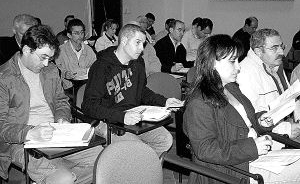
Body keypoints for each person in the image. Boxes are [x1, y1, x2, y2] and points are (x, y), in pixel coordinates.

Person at [183, 34, 300, 184]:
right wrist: (252, 147)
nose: (238, 67)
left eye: (238, 61)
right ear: (212, 63)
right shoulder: (199, 102)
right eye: (232, 62)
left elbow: (247, 120)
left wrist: (262, 120)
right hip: (233, 169)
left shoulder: (231, 87)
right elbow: (205, 149)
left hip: (250, 157)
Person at [0, 25, 103, 184]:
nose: (47, 64)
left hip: (56, 135)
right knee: (65, 179)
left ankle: (54, 176)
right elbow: (1, 126)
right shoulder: (4, 77)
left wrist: (62, 119)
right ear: (27, 50)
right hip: (21, 142)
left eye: (50, 58)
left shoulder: (51, 70)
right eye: (43, 57)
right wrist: (30, 133)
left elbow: (61, 100)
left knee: (104, 160)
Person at [82, 24, 182, 157]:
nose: (142, 48)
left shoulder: (138, 63)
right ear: (124, 41)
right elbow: (89, 106)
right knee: (137, 149)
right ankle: (133, 170)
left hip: (133, 117)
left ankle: (141, 171)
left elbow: (142, 92)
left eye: (143, 44)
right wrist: (122, 117)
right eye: (138, 43)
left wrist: (165, 101)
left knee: (165, 140)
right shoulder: (101, 67)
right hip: (107, 120)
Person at [237, 28, 300, 149]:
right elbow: (251, 120)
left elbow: (287, 101)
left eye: (282, 46)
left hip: (284, 132)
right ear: (258, 51)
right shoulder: (246, 73)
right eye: (274, 48)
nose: (281, 52)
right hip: (269, 141)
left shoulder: (275, 67)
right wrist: (287, 128)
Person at [55, 18, 97, 90]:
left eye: (82, 32)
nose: (80, 36)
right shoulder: (61, 50)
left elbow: (95, 67)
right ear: (69, 35)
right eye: (76, 33)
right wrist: (65, 73)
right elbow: (57, 68)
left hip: (87, 86)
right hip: (69, 88)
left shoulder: (89, 50)